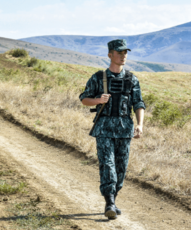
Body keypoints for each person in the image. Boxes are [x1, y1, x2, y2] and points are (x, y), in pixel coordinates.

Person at [79, 39, 145, 220]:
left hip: (124, 128)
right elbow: (84, 98)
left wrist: (139, 124)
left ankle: (113, 201)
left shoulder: (132, 79)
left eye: (125, 53)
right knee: (107, 164)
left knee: (121, 167)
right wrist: (98, 100)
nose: (123, 56)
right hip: (104, 128)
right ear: (110, 55)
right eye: (119, 52)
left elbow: (138, 103)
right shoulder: (98, 77)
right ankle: (109, 202)